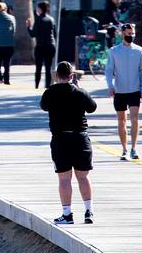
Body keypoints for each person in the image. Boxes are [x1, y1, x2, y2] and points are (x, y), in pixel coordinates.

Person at [40, 61, 97, 225]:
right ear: (72, 76)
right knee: (83, 177)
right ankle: (88, 211)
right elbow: (92, 107)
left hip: (60, 138)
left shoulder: (50, 93)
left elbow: (43, 106)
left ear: (57, 76)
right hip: (80, 138)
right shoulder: (80, 92)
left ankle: (67, 214)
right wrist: (78, 88)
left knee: (64, 179)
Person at [106, 22, 142, 160]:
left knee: (134, 119)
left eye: (133, 33)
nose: (131, 36)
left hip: (134, 90)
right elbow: (109, 70)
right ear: (123, 33)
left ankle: (134, 148)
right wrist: (110, 86)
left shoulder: (139, 51)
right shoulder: (114, 51)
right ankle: (124, 149)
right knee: (121, 120)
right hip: (120, 90)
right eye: (129, 33)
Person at [30, 1, 57, 89]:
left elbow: (32, 34)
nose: (36, 9)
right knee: (48, 68)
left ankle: (37, 86)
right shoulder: (51, 19)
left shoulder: (38, 19)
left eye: (37, 8)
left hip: (41, 46)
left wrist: (28, 27)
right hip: (50, 45)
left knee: (38, 68)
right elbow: (55, 34)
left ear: (40, 9)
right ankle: (48, 86)